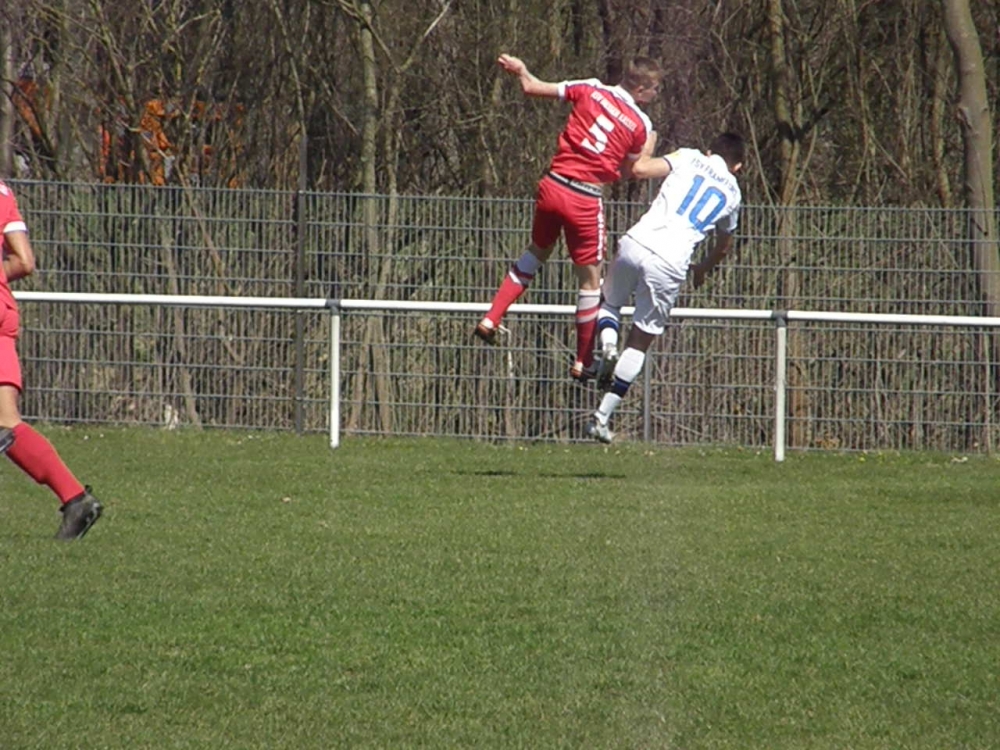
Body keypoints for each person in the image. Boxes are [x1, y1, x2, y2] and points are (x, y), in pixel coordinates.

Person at [475, 53, 663, 381]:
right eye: (656, 89)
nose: (656, 95)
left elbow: (532, 87)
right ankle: (582, 360)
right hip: (584, 197)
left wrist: (522, 69)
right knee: (591, 282)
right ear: (643, 88)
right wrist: (649, 148)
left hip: (552, 185)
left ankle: (491, 317)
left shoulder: (590, 88)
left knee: (536, 252)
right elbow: (632, 170)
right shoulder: (640, 124)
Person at [585, 131, 745, 443]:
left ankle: (606, 344)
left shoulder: (688, 156)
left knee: (609, 303)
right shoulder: (735, 194)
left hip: (637, 240)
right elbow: (724, 245)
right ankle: (601, 418)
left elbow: (641, 169)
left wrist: (649, 141)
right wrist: (702, 269)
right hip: (671, 261)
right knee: (641, 339)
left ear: (708, 149)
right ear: (737, 167)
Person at [0, 179, 103, 539]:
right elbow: (24, 261)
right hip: (3, 309)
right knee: (6, 422)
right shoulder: (2, 190)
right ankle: (76, 500)